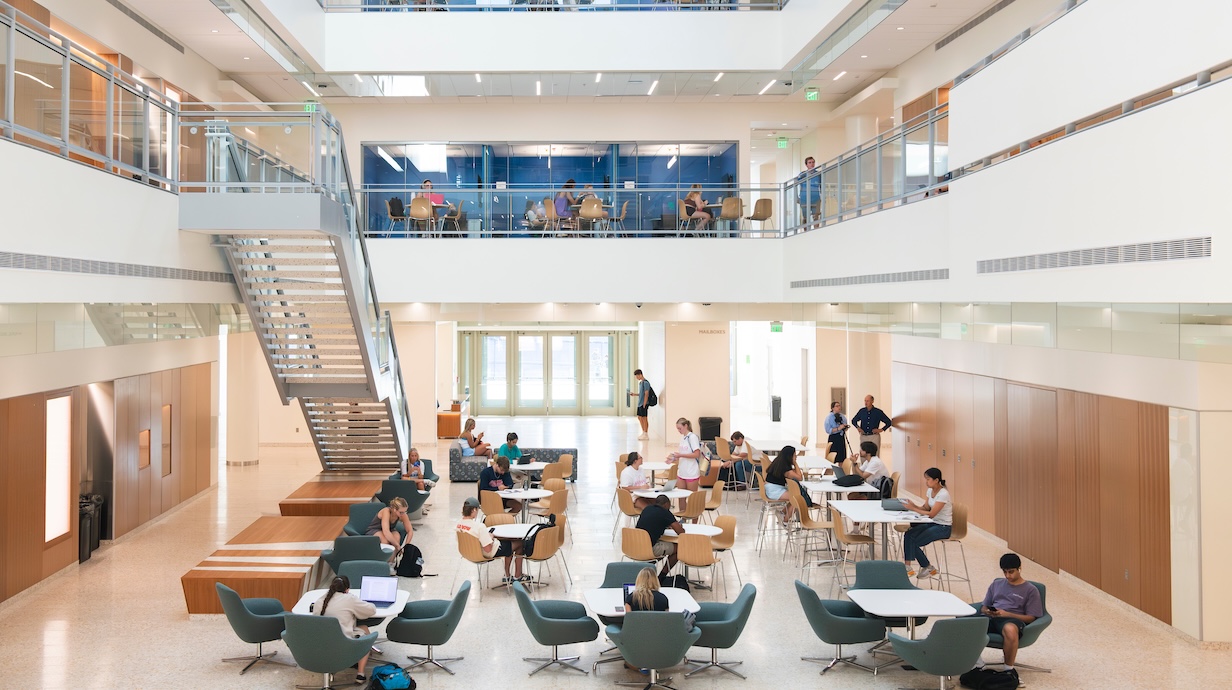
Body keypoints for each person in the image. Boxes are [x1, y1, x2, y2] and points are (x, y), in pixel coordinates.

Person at [978, 553, 1043, 685]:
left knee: (1010, 629)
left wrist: (1008, 614)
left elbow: (1031, 617)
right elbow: (983, 607)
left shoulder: (1031, 590)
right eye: (1005, 572)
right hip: (992, 617)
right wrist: (988, 611)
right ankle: (978, 665)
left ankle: (1009, 670)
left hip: (1012, 619)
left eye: (1011, 572)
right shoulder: (996, 585)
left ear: (1020, 568)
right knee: (968, 624)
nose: (1008, 576)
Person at [312, 576, 377, 684]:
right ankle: (360, 673)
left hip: (323, 642)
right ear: (347, 589)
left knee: (363, 628)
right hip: (344, 642)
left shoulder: (320, 600)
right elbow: (371, 610)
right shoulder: (349, 599)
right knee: (366, 637)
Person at [455, 496, 528, 583]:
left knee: (508, 544)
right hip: (488, 552)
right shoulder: (479, 527)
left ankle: (507, 575)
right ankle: (517, 576)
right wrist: (491, 538)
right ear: (474, 510)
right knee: (519, 543)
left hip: (469, 552)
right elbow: (488, 549)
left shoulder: (458, 524)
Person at [902, 467, 952, 579]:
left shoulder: (943, 494)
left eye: (928, 479)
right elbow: (925, 507)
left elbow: (931, 514)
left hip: (943, 527)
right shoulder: (930, 490)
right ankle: (908, 567)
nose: (926, 482)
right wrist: (912, 506)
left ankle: (927, 567)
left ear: (936, 480)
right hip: (933, 523)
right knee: (909, 534)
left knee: (913, 542)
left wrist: (913, 509)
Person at [635, 494, 683, 577]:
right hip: (650, 548)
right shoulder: (665, 513)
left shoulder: (647, 509)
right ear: (666, 504)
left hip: (636, 546)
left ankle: (649, 564)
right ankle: (661, 577)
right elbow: (681, 532)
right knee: (679, 548)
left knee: (664, 546)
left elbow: (653, 522)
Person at [764, 445, 812, 520]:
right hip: (774, 491)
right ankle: (785, 520)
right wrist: (795, 463)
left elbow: (795, 474)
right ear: (789, 457)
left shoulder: (779, 463)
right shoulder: (786, 469)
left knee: (795, 497)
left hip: (771, 488)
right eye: (795, 456)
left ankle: (782, 513)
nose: (796, 457)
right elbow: (799, 477)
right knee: (798, 499)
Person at [667, 417, 703, 504]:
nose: (679, 430)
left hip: (691, 472)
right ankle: (683, 517)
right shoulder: (683, 438)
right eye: (677, 429)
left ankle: (694, 517)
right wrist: (674, 458)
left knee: (692, 499)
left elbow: (696, 454)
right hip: (682, 472)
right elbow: (682, 454)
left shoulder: (693, 437)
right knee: (681, 498)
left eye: (680, 428)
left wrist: (680, 455)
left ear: (685, 426)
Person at [400, 447, 434, 514]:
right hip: (408, 482)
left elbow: (421, 477)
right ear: (409, 456)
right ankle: (426, 481)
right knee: (403, 479)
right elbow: (404, 476)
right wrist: (410, 472)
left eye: (415, 456)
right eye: (412, 456)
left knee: (420, 483)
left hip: (417, 481)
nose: (414, 458)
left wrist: (419, 472)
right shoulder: (404, 463)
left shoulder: (421, 463)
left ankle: (422, 506)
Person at [626, 369, 651, 440]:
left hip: (644, 403)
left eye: (637, 376)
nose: (636, 378)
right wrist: (634, 394)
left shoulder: (646, 383)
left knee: (644, 418)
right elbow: (642, 394)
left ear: (640, 374)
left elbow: (646, 394)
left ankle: (646, 434)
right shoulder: (641, 383)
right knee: (640, 417)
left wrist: (644, 403)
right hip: (640, 403)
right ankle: (643, 432)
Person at [796, 156, 821, 223]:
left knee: (816, 217)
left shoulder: (818, 174)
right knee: (805, 218)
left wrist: (823, 196)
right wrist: (796, 197)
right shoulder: (802, 174)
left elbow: (821, 186)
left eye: (813, 162)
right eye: (809, 162)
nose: (812, 164)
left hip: (816, 198)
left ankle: (816, 231)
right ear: (806, 164)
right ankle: (805, 232)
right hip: (804, 198)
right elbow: (795, 184)